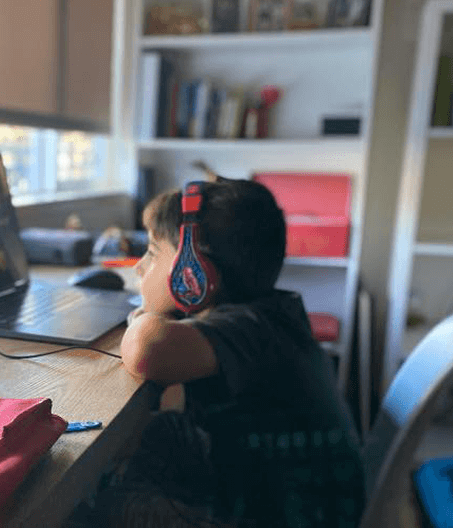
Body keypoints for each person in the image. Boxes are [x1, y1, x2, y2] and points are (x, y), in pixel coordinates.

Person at [67, 177, 365, 528]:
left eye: (151, 252)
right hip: (290, 490)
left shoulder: (251, 329)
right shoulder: (267, 313)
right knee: (157, 433)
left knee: (84, 512)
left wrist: (145, 315)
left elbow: (148, 349)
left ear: (191, 271)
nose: (139, 267)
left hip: (292, 515)